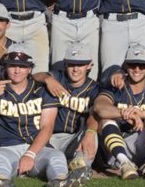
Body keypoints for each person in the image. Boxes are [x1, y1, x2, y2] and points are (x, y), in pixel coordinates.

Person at [0, 43, 93, 187]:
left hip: (37, 148)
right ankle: (0, 180)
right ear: (5, 66)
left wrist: (30, 154)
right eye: (12, 65)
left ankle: (61, 180)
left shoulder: (42, 91)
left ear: (30, 68)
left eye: (22, 66)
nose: (17, 70)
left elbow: (47, 127)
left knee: (56, 157)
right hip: (8, 147)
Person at [92, 44, 145, 179]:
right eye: (132, 65)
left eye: (142, 65)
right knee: (106, 119)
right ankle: (125, 163)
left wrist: (140, 114)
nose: (137, 69)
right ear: (125, 66)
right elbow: (99, 107)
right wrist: (124, 113)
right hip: (115, 148)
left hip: (143, 145)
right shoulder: (116, 88)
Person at [34, 42, 100, 172]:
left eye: (80, 64)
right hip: (49, 137)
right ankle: (62, 165)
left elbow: (95, 115)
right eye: (71, 64)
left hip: (73, 139)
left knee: (92, 135)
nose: (75, 69)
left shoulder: (94, 88)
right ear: (65, 64)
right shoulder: (57, 77)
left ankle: (80, 167)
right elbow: (34, 76)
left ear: (89, 65)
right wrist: (48, 79)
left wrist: (90, 132)